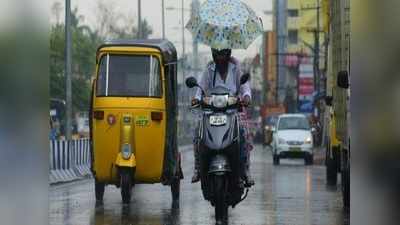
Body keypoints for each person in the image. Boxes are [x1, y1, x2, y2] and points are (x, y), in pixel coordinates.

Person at [191, 48, 254, 186]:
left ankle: (245, 169)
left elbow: (245, 87)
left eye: (223, 54)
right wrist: (196, 99)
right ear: (213, 54)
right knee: (197, 131)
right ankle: (197, 167)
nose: (220, 58)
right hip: (211, 112)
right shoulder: (209, 69)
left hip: (232, 111)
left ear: (228, 53)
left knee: (243, 132)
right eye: (217, 54)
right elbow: (200, 89)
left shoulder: (236, 68)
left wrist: (246, 97)